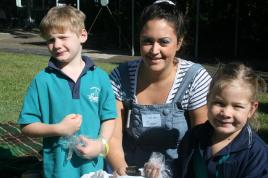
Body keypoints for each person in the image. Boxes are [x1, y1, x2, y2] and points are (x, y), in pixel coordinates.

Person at [108, 0, 211, 177]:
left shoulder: (195, 78)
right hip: (131, 171)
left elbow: (201, 142)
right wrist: (123, 172)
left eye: (164, 42)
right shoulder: (120, 77)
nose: (154, 50)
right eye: (147, 41)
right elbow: (113, 138)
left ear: (179, 43)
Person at [18, 5, 117, 178]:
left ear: (82, 36)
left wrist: (101, 145)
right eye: (50, 40)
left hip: (94, 169)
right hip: (57, 171)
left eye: (63, 37)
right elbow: (26, 126)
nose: (57, 45)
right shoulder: (42, 80)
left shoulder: (100, 78)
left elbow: (108, 117)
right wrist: (58, 129)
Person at [177, 63, 268, 178]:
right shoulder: (193, 137)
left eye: (237, 106)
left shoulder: (256, 154)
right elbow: (180, 170)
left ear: (252, 109)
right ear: (208, 100)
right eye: (219, 103)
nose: (226, 113)